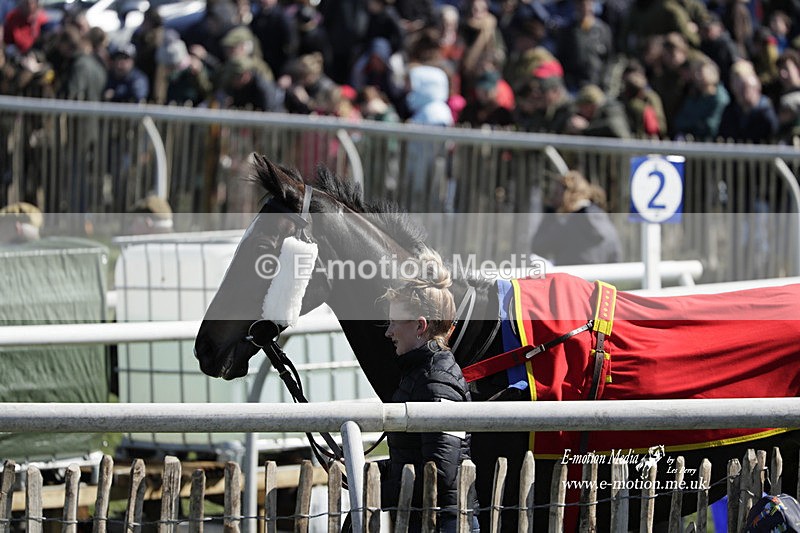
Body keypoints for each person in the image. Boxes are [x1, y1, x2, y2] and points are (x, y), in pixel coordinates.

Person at [381, 248, 479, 533]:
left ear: (420, 326)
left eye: (395, 323)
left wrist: (380, 489)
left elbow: (438, 476)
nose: (388, 332)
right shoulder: (424, 373)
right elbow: (419, 460)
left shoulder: (436, 381)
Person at [531, 170, 623, 265]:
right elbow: (615, 256)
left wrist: (550, 214)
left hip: (573, 277)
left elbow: (538, 247)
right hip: (601, 277)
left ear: (565, 195)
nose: (552, 199)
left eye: (555, 194)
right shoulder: (603, 218)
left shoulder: (566, 224)